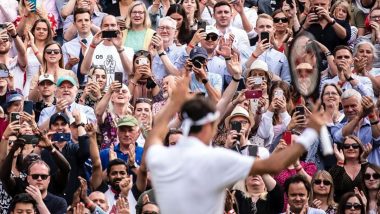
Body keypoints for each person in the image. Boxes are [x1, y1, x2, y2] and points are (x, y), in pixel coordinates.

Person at [144, 54, 327, 213]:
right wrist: (311, 133)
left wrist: (175, 103)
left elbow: (155, 133)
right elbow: (274, 165)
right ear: (210, 127)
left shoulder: (163, 155)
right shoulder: (217, 159)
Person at [80, 15, 134, 85]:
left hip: (119, 92)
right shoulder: (92, 48)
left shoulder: (128, 50)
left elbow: (130, 72)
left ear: (118, 27)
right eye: (106, 25)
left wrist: (119, 48)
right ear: (101, 27)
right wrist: (93, 45)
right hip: (98, 91)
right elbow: (84, 71)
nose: (109, 28)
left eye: (113, 25)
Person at [330, 89, 380, 165]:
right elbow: (339, 138)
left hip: (372, 174)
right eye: (346, 107)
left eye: (353, 106)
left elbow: (378, 140)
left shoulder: (372, 125)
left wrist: (371, 112)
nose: (350, 109)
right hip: (350, 175)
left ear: (361, 105)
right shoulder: (337, 127)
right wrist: (358, 117)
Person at [242, 14, 291, 84]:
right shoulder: (245, 51)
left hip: (273, 92)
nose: (265, 29)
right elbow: (240, 74)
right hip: (252, 91)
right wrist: (254, 55)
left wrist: (277, 80)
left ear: (273, 29)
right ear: (256, 30)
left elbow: (287, 82)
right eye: (261, 27)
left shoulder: (281, 56)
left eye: (268, 26)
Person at [329, 135, 367, 202]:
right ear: (342, 150)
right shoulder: (335, 169)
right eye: (346, 146)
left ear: (360, 149)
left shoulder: (367, 167)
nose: (351, 148)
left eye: (355, 146)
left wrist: (364, 161)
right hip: (340, 208)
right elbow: (335, 189)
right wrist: (340, 162)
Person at [62, 7, 94, 87]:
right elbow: (62, 72)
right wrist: (69, 64)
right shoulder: (67, 46)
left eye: (86, 20)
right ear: (74, 24)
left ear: (91, 22)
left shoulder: (100, 44)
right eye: (80, 20)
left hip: (95, 86)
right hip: (73, 87)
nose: (83, 23)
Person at [24, 19, 53, 97]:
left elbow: (46, 63)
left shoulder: (52, 50)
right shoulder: (28, 49)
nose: (41, 31)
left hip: (47, 86)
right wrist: (26, 41)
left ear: (48, 32)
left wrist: (33, 45)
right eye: (38, 29)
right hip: (29, 86)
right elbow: (20, 63)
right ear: (33, 31)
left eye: (44, 29)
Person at [0, 23, 27, 92]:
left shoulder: (16, 61)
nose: (1, 41)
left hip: (16, 101)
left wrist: (14, 34)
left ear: (11, 44)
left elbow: (22, 52)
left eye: (5, 39)